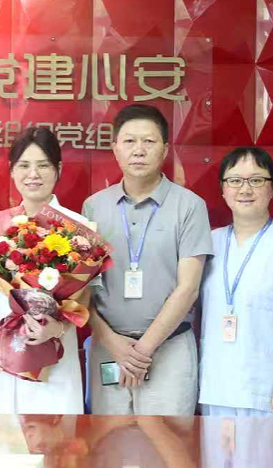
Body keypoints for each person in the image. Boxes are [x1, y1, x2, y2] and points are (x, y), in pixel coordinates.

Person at [82, 104, 213, 416]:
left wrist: (141, 351)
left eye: (149, 141)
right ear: (115, 148)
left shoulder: (190, 206)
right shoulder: (94, 207)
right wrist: (112, 342)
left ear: (165, 149)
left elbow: (188, 289)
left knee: (167, 441)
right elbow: (83, 289)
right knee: (109, 441)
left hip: (169, 350)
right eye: (129, 141)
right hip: (109, 349)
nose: (138, 150)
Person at [198, 147, 273, 431]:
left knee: (270, 460)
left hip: (268, 388)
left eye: (256, 180)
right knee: (216, 460)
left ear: (272, 188)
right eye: (235, 180)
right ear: (223, 190)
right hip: (216, 385)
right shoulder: (209, 243)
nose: (245, 189)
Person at [0, 126, 87, 414]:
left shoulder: (78, 228)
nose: (33, 174)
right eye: (24, 165)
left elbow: (87, 295)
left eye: (43, 165)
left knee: (57, 440)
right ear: (12, 171)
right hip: (2, 354)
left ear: (58, 169)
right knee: (2, 438)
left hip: (55, 356)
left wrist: (58, 328)